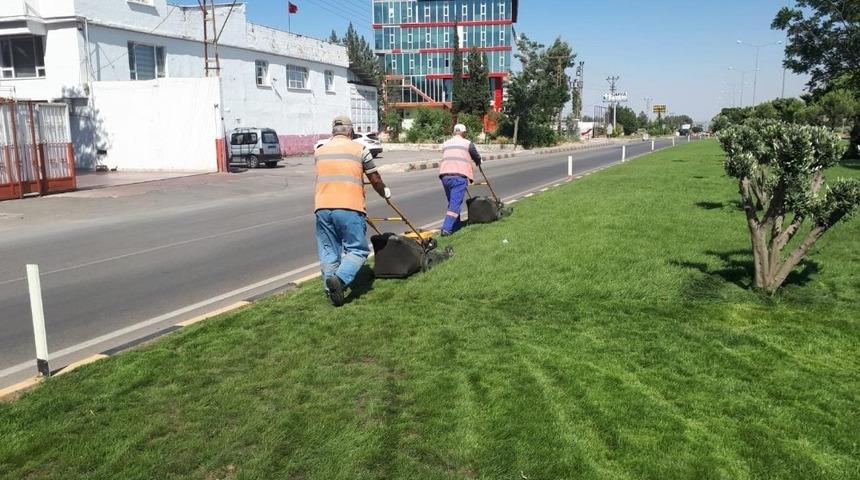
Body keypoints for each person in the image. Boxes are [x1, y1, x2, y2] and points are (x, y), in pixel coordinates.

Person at [315, 115, 390, 307]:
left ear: (333, 131)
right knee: (357, 249)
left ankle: (330, 289)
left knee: (329, 251)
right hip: (349, 206)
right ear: (350, 131)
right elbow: (374, 178)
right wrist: (384, 192)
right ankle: (339, 281)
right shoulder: (360, 149)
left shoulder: (320, 151)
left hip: (322, 207)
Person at [438, 123, 482, 235]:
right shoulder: (467, 143)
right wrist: (478, 161)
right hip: (459, 177)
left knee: (452, 202)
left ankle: (455, 225)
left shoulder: (446, 143)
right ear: (463, 132)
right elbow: (475, 155)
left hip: (445, 176)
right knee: (455, 204)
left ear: (454, 131)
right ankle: (446, 229)